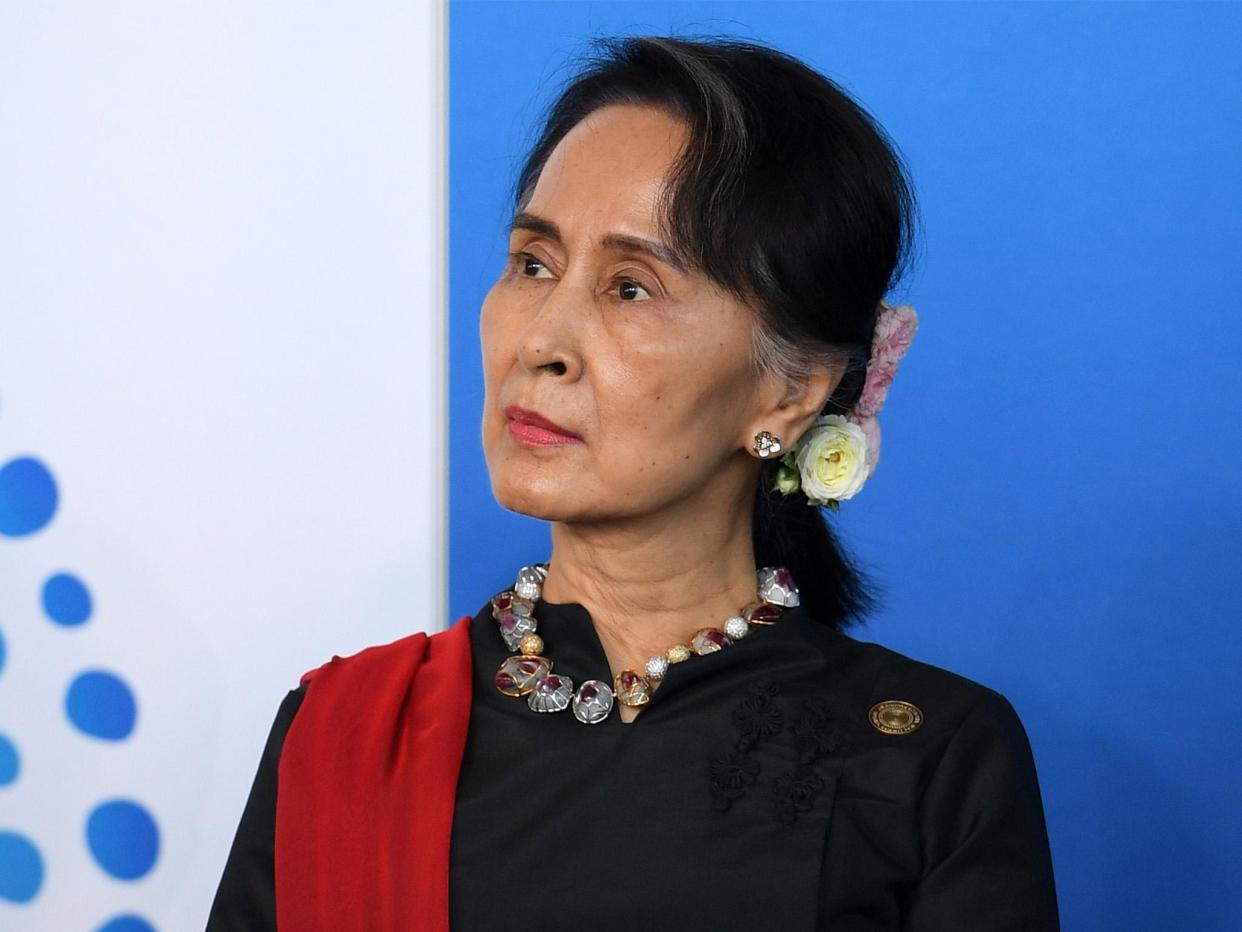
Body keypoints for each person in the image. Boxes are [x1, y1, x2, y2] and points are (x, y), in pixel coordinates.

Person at [207, 35, 1059, 931]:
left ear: (790, 390)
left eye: (630, 288)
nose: (541, 341)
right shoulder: (347, 736)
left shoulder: (925, 759)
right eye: (533, 264)